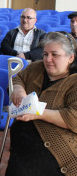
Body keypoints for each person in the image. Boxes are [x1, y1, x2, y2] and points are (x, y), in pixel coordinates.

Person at [6, 32, 77, 176]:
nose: (48, 59)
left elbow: (74, 118)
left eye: (55, 55)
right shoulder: (36, 68)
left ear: (71, 58)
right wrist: (19, 91)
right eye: (45, 54)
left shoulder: (74, 81)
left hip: (56, 143)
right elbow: (18, 78)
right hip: (23, 138)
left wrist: (37, 112)